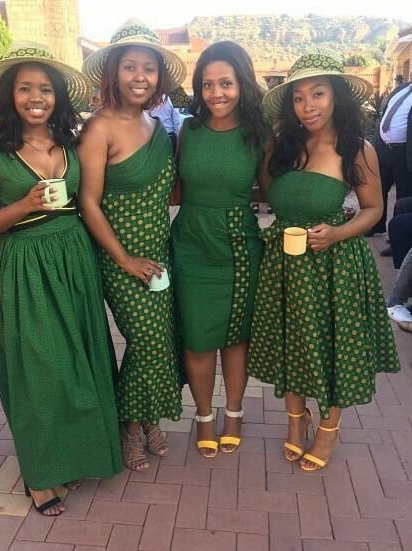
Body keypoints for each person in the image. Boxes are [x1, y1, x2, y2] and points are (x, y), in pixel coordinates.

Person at [0, 43, 123, 516]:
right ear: (9, 96)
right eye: (25, 88)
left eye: (46, 89)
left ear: (58, 97)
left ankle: (72, 455)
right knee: (39, 371)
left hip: (74, 259)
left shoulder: (70, 142)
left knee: (80, 363)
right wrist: (24, 205)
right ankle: (39, 475)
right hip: (25, 267)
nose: (36, 97)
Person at [247, 54, 400, 472]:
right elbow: (270, 195)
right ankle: (296, 421)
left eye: (318, 94)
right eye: (298, 98)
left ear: (337, 98)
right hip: (285, 264)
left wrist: (336, 233)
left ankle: (329, 429)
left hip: (336, 266)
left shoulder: (357, 150)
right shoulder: (283, 147)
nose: (307, 106)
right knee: (291, 344)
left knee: (333, 348)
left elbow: (373, 209)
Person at [79, 20, 186, 471]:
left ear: (159, 77)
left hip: (160, 253)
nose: (140, 76)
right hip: (120, 258)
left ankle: (148, 418)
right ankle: (128, 424)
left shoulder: (156, 126)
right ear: (113, 73)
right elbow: (87, 201)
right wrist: (124, 258)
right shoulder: (99, 128)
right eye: (130, 66)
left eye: (149, 68)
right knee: (146, 342)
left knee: (163, 340)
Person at [171, 41, 265, 457]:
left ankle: (235, 413)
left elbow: (273, 192)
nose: (216, 93)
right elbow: (175, 188)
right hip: (191, 244)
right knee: (197, 339)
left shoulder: (258, 134)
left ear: (242, 84)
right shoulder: (188, 131)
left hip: (239, 247)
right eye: (207, 84)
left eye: (225, 83)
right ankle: (204, 415)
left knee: (235, 339)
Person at [368, 57, 412, 236]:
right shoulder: (401, 89)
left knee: (403, 195)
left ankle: (396, 236)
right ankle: (376, 225)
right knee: (379, 189)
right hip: (384, 149)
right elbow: (385, 113)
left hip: (405, 153)